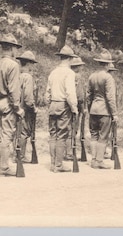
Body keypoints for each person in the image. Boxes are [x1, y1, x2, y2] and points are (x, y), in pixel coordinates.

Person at [45, 45, 78, 173]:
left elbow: (47, 93)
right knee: (62, 135)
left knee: (53, 135)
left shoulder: (53, 72)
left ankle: (53, 164)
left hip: (53, 104)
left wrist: (50, 103)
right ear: (70, 59)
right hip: (63, 105)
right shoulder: (70, 73)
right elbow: (70, 93)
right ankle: (58, 165)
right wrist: (74, 107)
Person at [87, 50, 118, 169]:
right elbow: (110, 97)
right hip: (104, 110)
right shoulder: (108, 77)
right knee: (103, 136)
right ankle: (99, 161)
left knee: (94, 135)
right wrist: (114, 113)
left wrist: (90, 108)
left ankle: (93, 159)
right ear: (107, 64)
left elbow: (88, 95)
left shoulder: (92, 76)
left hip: (93, 109)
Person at [0, 33, 24, 176]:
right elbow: (14, 90)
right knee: (7, 135)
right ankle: (4, 167)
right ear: (12, 49)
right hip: (7, 103)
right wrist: (18, 108)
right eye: (16, 48)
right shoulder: (13, 65)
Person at [16, 50, 38, 163]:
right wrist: (33, 108)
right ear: (29, 64)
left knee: (18, 132)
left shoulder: (18, 76)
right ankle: (21, 156)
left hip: (16, 108)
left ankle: (18, 154)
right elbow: (28, 98)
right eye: (32, 64)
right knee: (24, 132)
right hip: (25, 109)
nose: (33, 66)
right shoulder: (28, 77)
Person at [64, 56, 86, 161]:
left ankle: (67, 152)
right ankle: (69, 153)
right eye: (80, 66)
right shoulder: (77, 76)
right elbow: (80, 95)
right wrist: (82, 108)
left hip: (66, 105)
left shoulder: (67, 74)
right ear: (77, 67)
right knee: (73, 129)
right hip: (75, 105)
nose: (82, 68)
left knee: (67, 129)